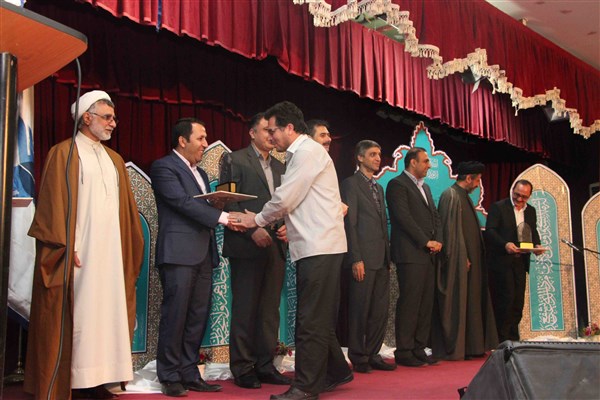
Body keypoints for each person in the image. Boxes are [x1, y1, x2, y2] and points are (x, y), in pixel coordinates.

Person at [24, 90, 144, 400]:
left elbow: (126, 214)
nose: (113, 123)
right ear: (86, 118)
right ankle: (76, 381)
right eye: (107, 117)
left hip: (111, 255)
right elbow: (52, 206)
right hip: (79, 255)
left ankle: (101, 379)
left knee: (107, 317)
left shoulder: (114, 159)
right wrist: (67, 246)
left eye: (114, 118)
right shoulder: (63, 153)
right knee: (82, 318)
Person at [229, 101, 352, 400]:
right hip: (315, 244)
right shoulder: (301, 154)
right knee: (316, 316)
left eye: (273, 130)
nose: (271, 137)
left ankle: (306, 387)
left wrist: (256, 220)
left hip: (319, 246)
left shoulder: (307, 153)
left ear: (289, 128)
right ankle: (336, 370)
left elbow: (285, 198)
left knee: (310, 320)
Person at [150, 118, 227, 397]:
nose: (205, 144)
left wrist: (218, 203)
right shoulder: (164, 167)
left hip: (204, 253)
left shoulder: (202, 173)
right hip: (178, 254)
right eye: (200, 138)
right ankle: (170, 376)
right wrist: (223, 216)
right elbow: (181, 203)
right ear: (182, 141)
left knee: (197, 316)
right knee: (175, 316)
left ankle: (190, 372)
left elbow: (198, 207)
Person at [219, 113, 290, 389]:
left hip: (276, 245)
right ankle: (242, 367)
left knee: (270, 310)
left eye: (274, 131)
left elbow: (286, 205)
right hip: (246, 245)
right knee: (245, 308)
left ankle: (265, 365)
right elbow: (226, 201)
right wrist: (252, 230)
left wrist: (286, 227)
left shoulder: (282, 166)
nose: (271, 136)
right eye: (265, 130)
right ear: (251, 133)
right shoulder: (234, 159)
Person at [432, 161, 498, 361]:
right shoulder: (451, 195)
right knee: (462, 303)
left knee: (473, 302)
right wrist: (462, 258)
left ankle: (473, 346)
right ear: (469, 178)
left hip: (471, 263)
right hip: (460, 263)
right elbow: (449, 232)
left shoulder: (464, 197)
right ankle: (461, 347)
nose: (478, 185)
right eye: (477, 180)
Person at [341, 140, 396, 373]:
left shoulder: (378, 187)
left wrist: (387, 257)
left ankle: (373, 353)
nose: (377, 158)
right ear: (360, 157)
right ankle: (358, 355)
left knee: (379, 311)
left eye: (379, 154)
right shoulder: (350, 184)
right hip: (363, 258)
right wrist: (356, 258)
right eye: (372, 154)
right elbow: (350, 224)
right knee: (359, 309)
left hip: (382, 258)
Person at [386, 147, 442, 367]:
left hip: (428, 254)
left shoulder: (425, 187)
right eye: (425, 161)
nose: (429, 165)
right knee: (410, 302)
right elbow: (403, 218)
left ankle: (419, 347)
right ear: (412, 163)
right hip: (410, 253)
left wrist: (438, 240)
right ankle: (405, 350)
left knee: (425, 303)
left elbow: (435, 216)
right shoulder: (397, 184)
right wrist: (425, 241)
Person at [486, 179, 545, 342]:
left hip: (520, 262)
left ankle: (513, 338)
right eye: (517, 195)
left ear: (529, 196)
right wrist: (505, 244)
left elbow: (533, 231)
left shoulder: (531, 210)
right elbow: (490, 232)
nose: (519, 199)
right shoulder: (499, 207)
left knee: (518, 302)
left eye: (524, 197)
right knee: (506, 300)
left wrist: (537, 246)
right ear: (512, 190)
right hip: (502, 262)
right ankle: (502, 340)